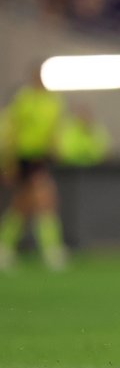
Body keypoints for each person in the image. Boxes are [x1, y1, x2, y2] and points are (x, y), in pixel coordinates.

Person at [0, 70, 68, 270]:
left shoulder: (53, 101)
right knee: (45, 201)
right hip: (25, 156)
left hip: (41, 157)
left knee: (22, 206)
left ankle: (4, 248)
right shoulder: (24, 99)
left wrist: (57, 148)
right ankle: (52, 251)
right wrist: (9, 161)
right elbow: (11, 129)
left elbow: (56, 129)